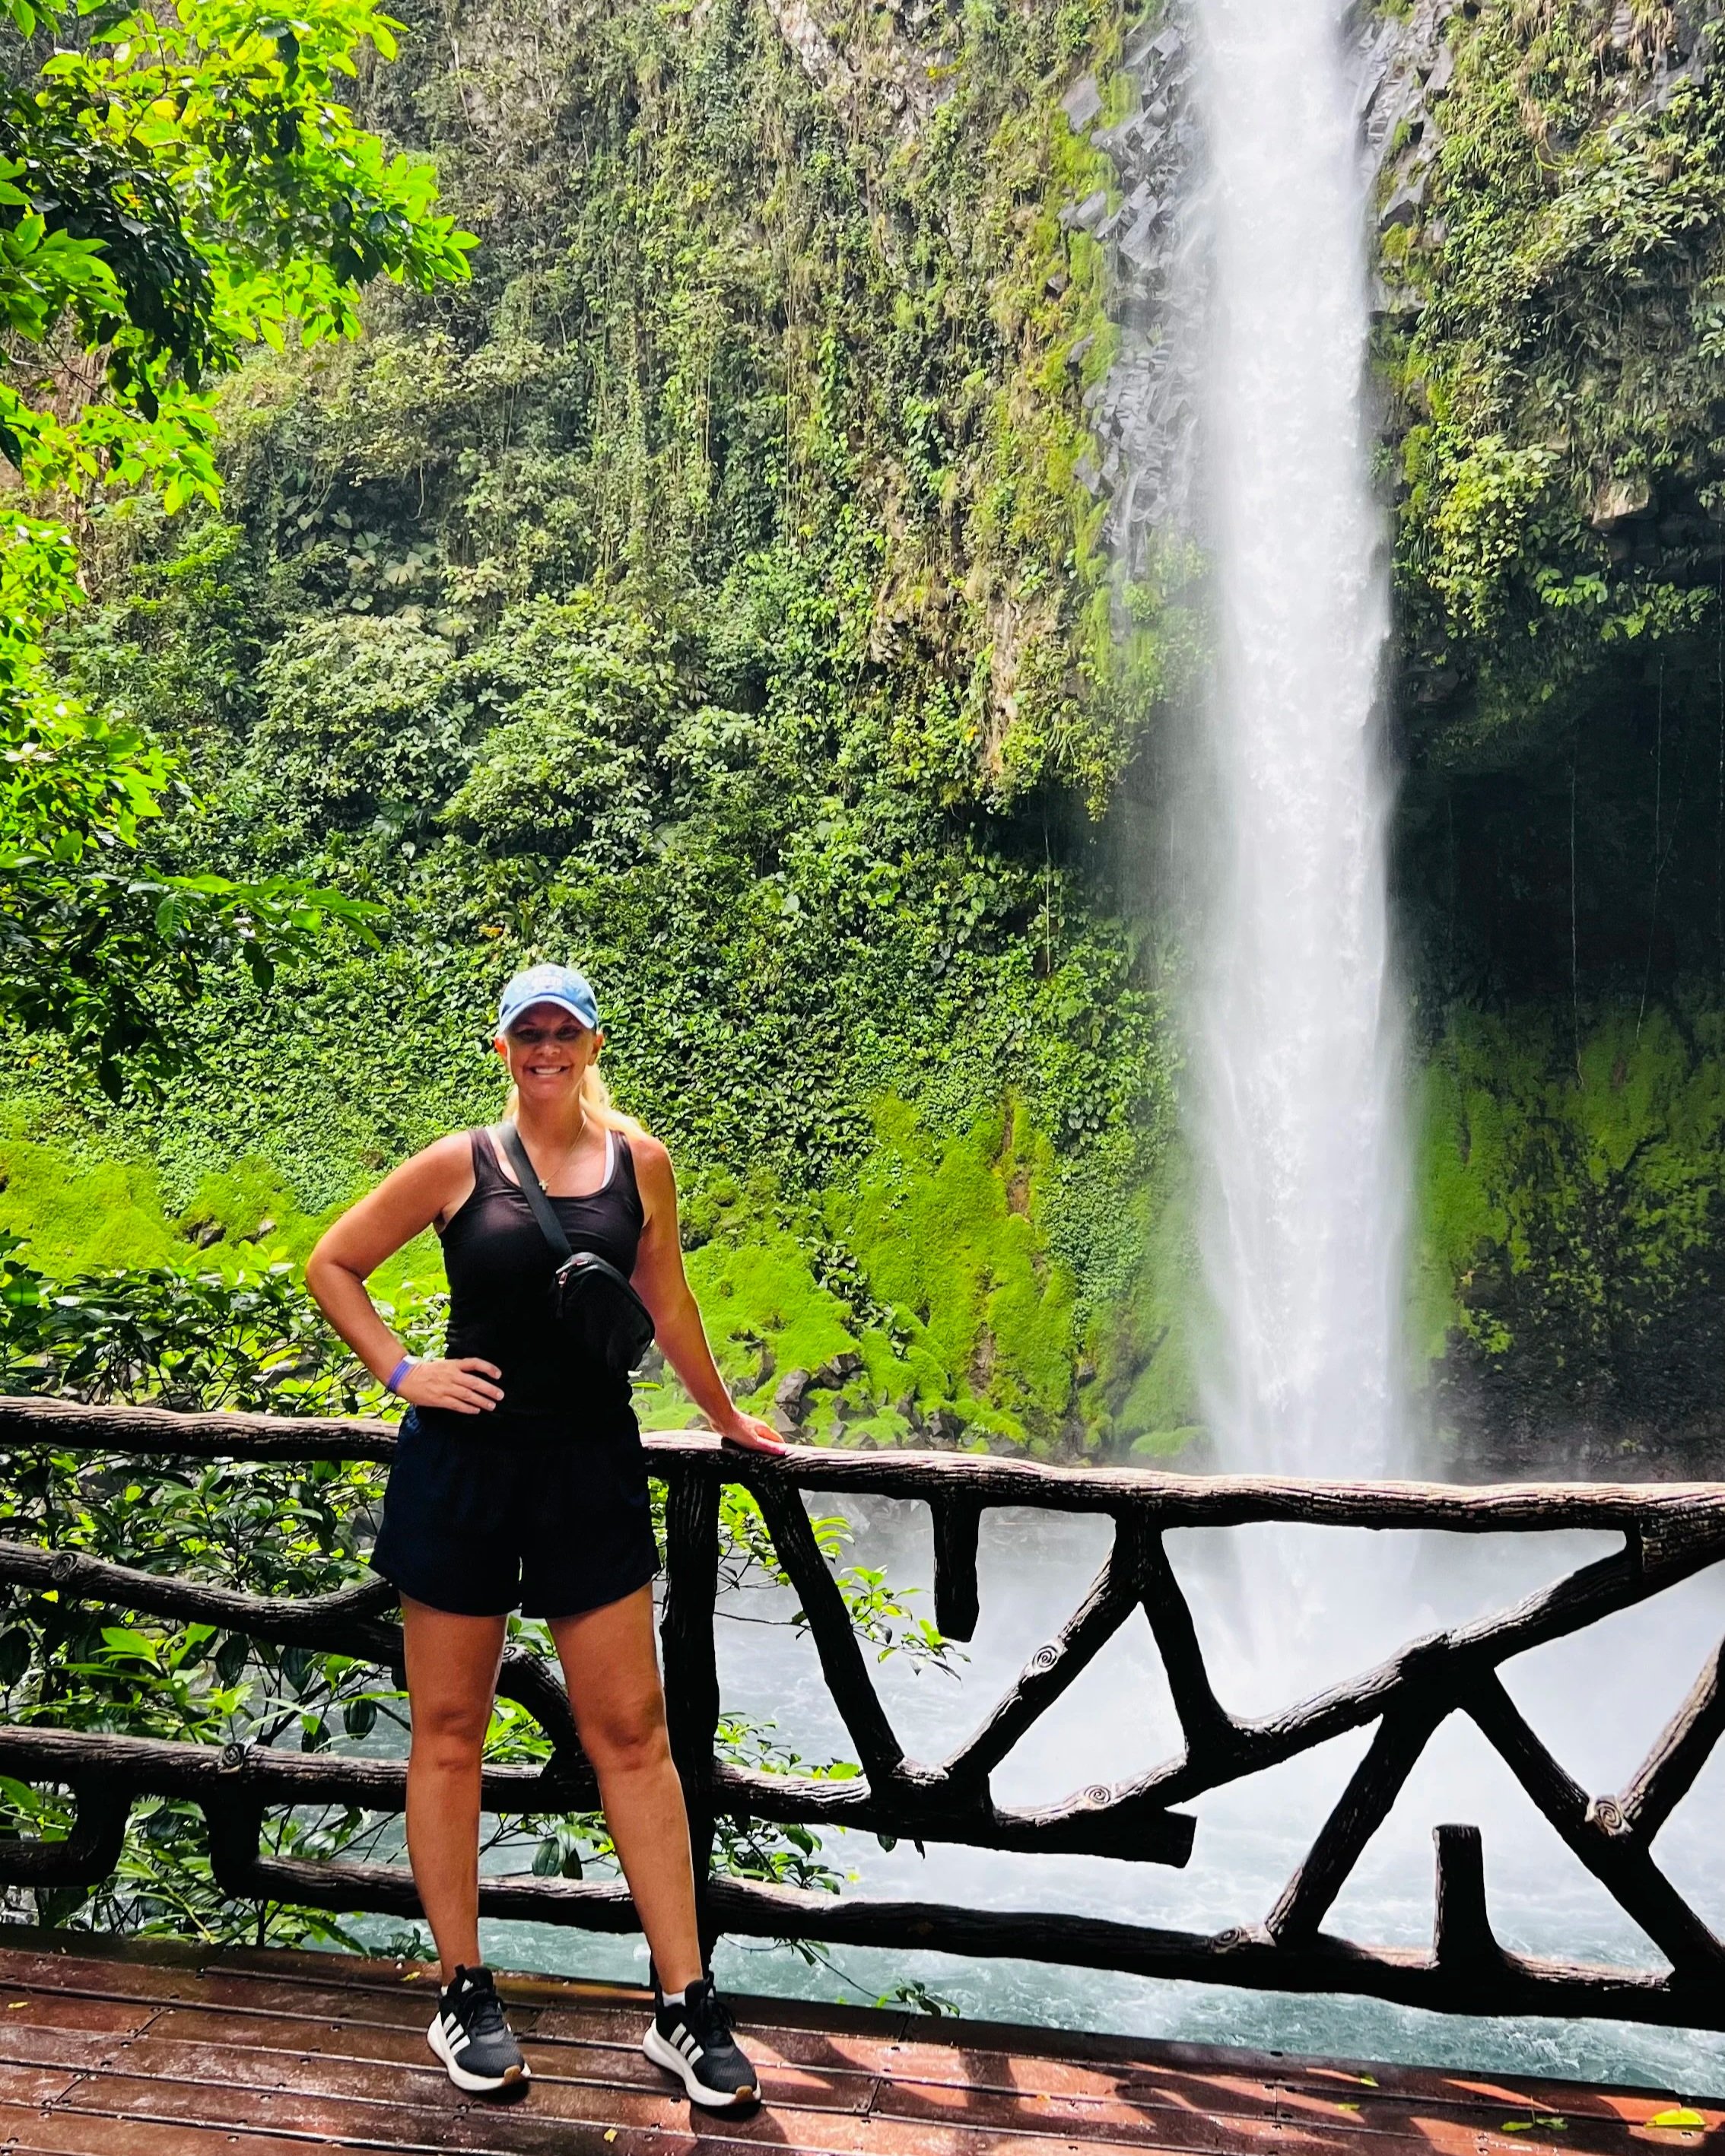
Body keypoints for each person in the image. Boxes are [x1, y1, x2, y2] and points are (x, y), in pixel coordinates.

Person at [305, 962, 786, 2113]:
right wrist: (407, 1371)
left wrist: (723, 1418)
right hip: (464, 1468)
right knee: (452, 1731)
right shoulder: (458, 1163)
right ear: (504, 1045)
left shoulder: (641, 1163)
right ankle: (463, 1990)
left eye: (564, 1032)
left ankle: (685, 2003)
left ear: (592, 1041)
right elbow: (333, 1263)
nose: (546, 1050)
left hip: (587, 1466)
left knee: (631, 1732)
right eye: (529, 1033)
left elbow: (666, 1300)